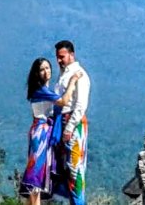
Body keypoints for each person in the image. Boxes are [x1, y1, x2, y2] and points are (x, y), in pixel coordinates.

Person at [21, 57, 83, 205]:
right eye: (42, 69)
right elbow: (63, 101)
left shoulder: (42, 90)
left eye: (47, 68)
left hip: (40, 130)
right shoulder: (41, 90)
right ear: (37, 73)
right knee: (36, 176)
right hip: (41, 133)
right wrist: (73, 81)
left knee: (39, 174)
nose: (45, 71)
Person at [53, 40, 91, 205]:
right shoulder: (64, 75)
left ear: (71, 55)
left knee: (75, 168)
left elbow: (80, 105)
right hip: (62, 122)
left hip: (73, 125)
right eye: (58, 57)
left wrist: (69, 128)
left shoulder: (80, 74)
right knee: (65, 169)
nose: (59, 60)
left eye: (62, 57)